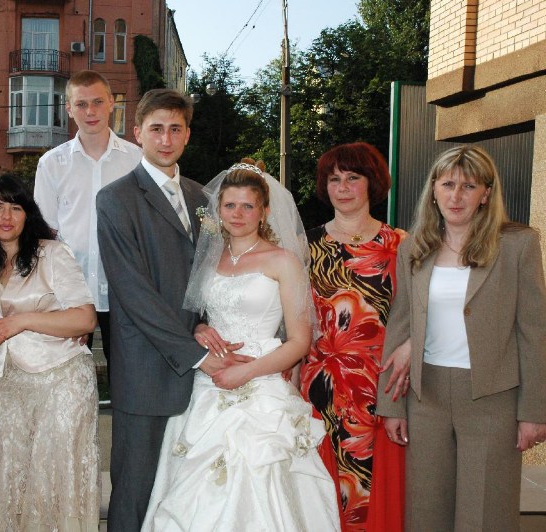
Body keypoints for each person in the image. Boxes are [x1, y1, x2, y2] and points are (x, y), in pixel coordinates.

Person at [143, 159, 341, 531]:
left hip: (259, 382)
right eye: (230, 205)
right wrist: (200, 329)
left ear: (264, 211)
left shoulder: (283, 261)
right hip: (208, 382)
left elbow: (300, 341)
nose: (237, 214)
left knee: (258, 476)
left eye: (248, 206)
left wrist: (245, 373)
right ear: (218, 209)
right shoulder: (207, 259)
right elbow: (198, 315)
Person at [96, 88, 249, 530]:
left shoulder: (203, 198)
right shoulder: (116, 199)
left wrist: (202, 324)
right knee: (135, 489)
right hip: (146, 367)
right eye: (156, 129)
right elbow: (133, 293)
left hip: (200, 370)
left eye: (175, 129)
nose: (166, 139)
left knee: (184, 489)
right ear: (137, 133)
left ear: (187, 135)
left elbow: (209, 276)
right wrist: (196, 355)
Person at [378, 145, 546, 531]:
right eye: (448, 184)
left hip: (492, 399)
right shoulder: (414, 247)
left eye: (468, 186)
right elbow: (400, 323)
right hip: (427, 397)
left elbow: (534, 332)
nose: (456, 196)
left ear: (486, 193)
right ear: (433, 190)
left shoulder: (518, 244)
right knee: (426, 511)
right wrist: (392, 406)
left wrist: (534, 411)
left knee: (484, 514)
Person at [0, 175, 100, 531]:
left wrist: (21, 321)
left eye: (16, 207)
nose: (6, 216)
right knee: (12, 475)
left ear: (28, 214)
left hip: (62, 379)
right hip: (8, 384)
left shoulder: (52, 253)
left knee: (55, 474)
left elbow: (85, 319)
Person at [300, 142, 407, 531]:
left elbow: (418, 314)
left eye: (352, 178)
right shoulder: (306, 246)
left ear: (372, 182)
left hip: (383, 382)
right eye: (334, 179)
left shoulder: (402, 244)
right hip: (322, 385)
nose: (342, 187)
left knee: (377, 486)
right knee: (323, 490)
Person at [34, 70, 142, 376]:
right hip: (69, 292)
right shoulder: (52, 163)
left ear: (112, 103)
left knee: (128, 377)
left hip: (123, 290)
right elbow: (45, 235)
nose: (90, 111)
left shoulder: (136, 160)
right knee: (67, 377)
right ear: (69, 108)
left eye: (97, 102)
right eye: (81, 104)